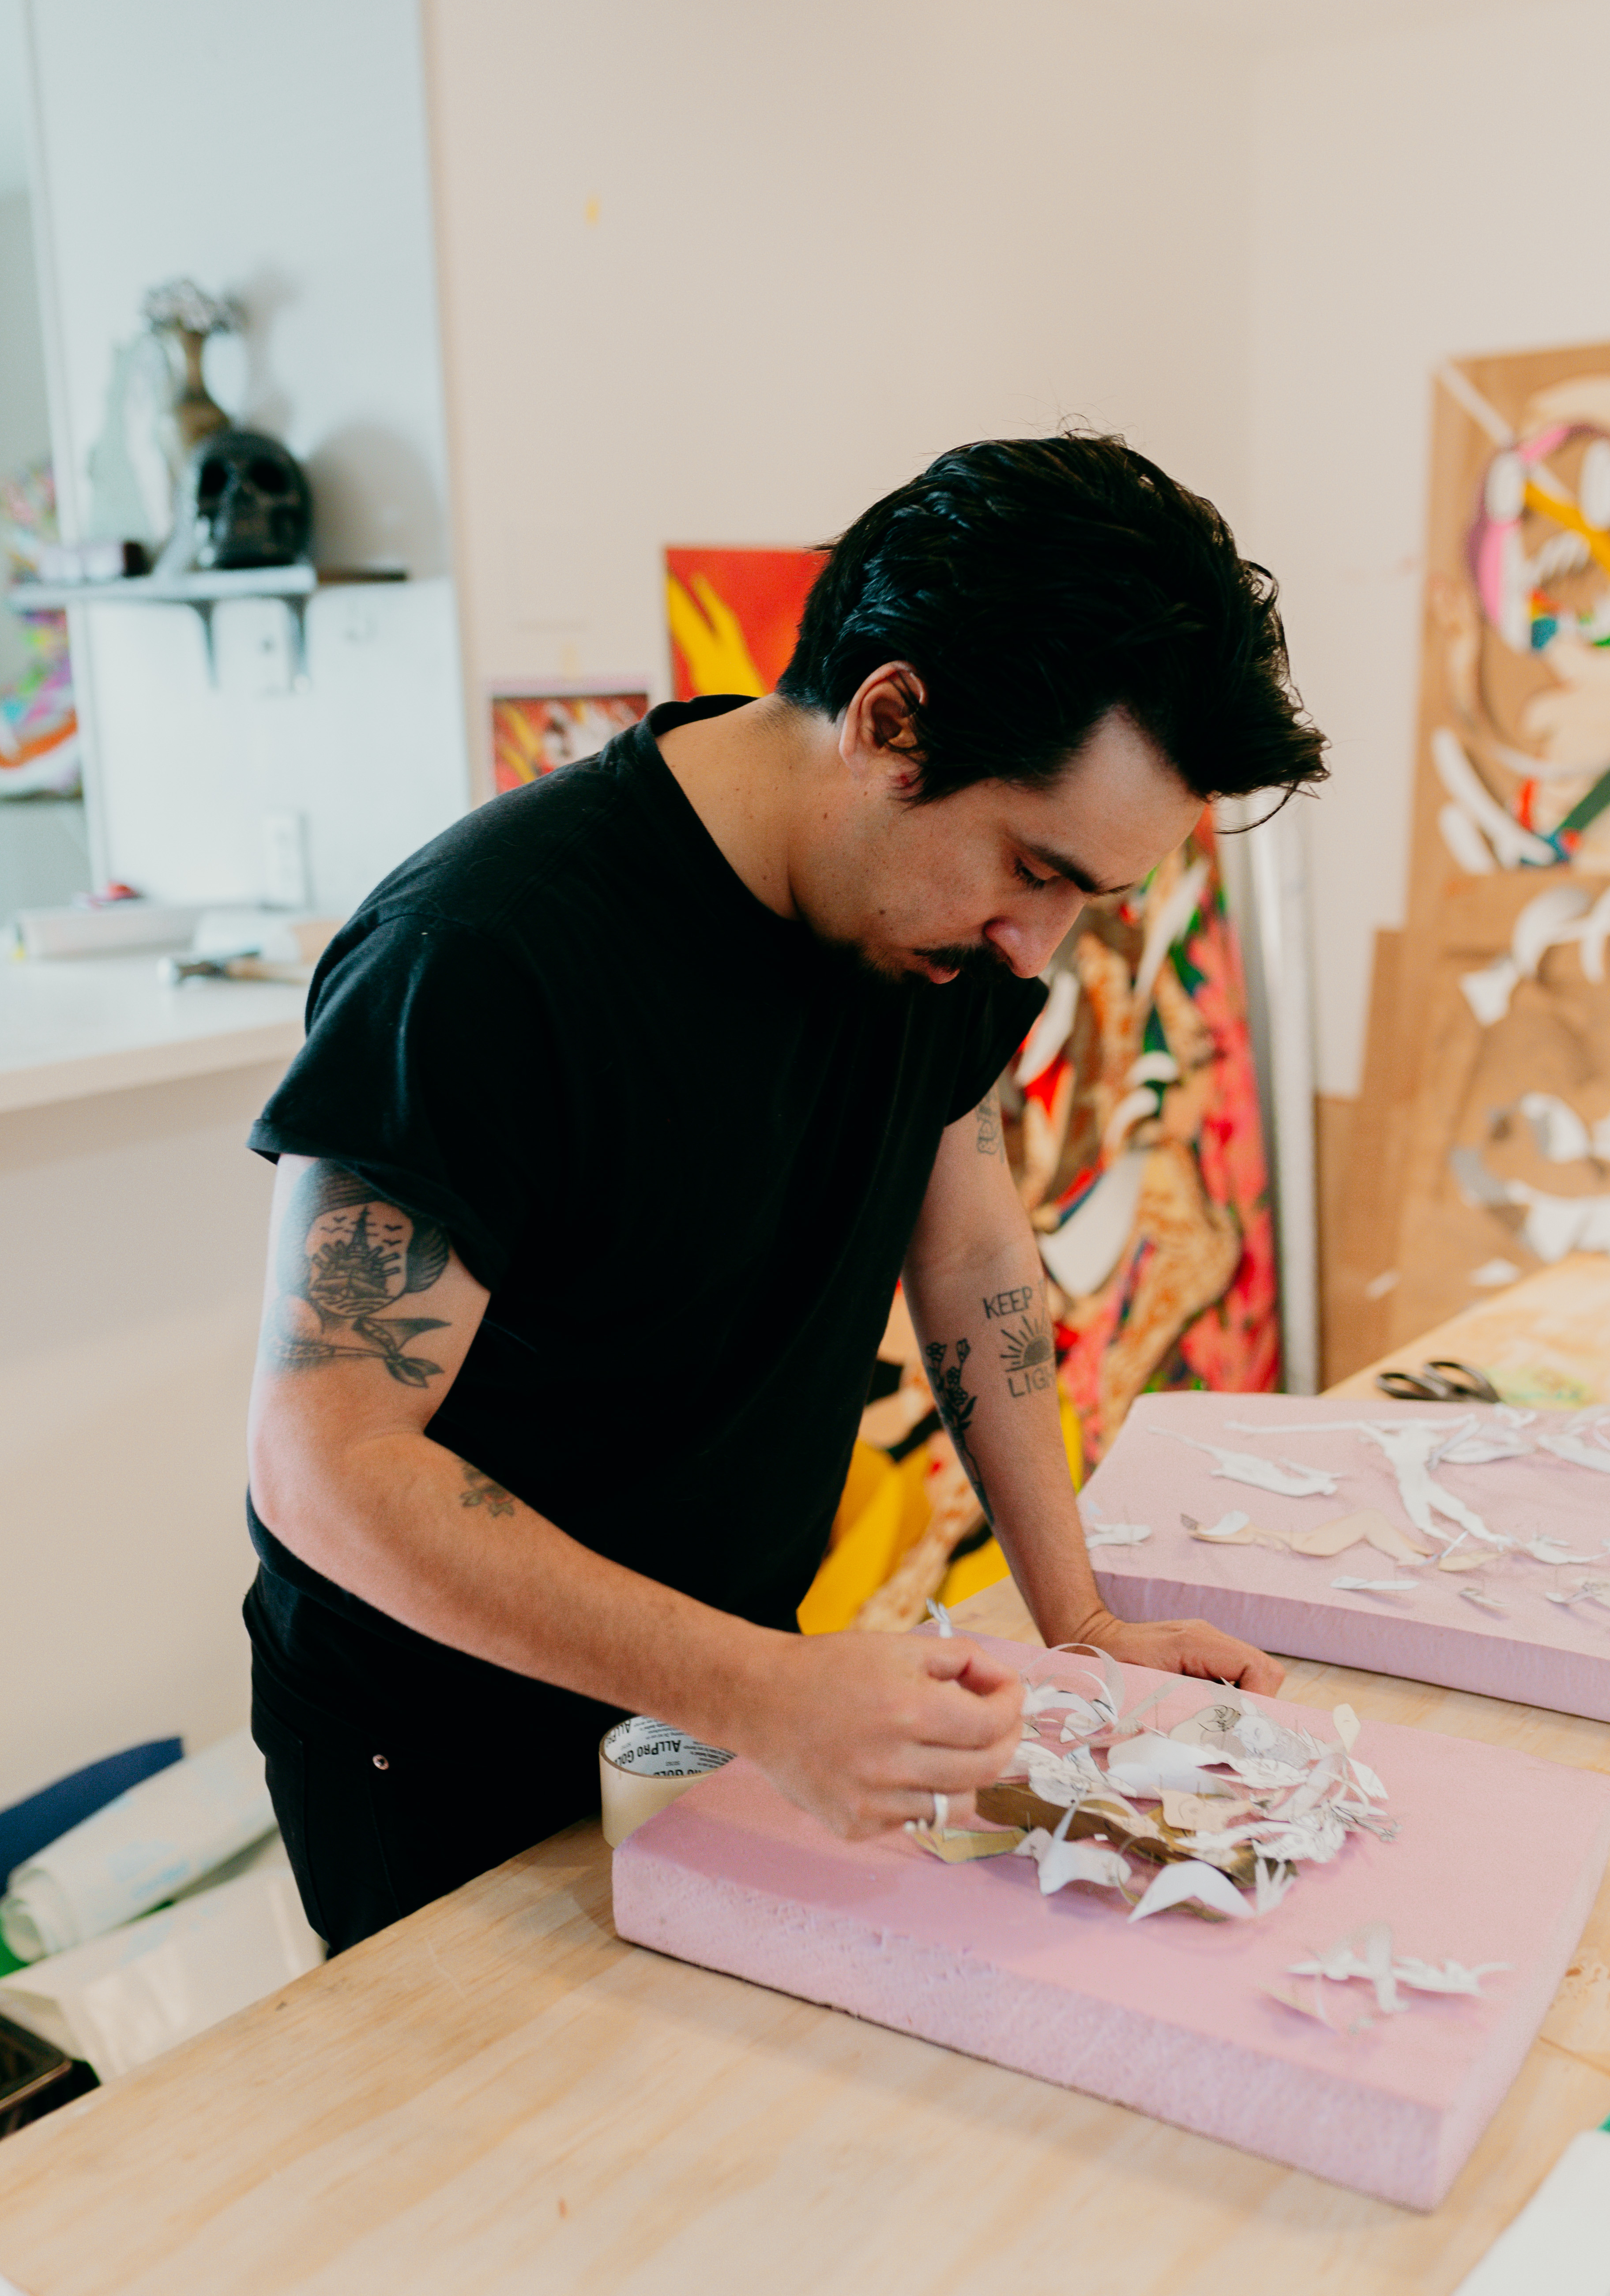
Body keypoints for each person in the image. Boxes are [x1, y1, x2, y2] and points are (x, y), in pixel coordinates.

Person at [244, 432, 1329, 1954]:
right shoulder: (484, 954)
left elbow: (973, 1260)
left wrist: (1074, 1617)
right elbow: (324, 1461)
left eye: (1091, 897)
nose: (1042, 945)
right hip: (438, 1741)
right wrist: (758, 1688)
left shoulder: (939, 939)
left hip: (718, 1700)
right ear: (891, 719)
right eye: (1034, 866)